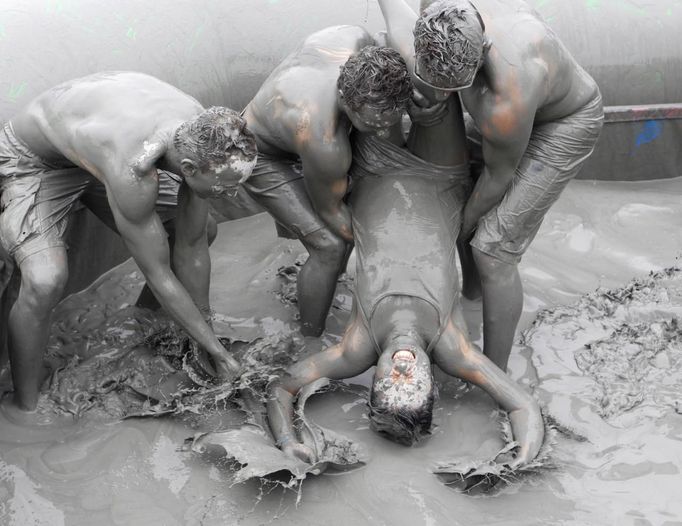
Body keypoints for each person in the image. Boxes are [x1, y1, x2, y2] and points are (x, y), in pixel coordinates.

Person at [267, 94, 544, 469]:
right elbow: (522, 404)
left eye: (389, 385)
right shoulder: (452, 348)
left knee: (383, 93)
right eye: (412, 387)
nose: (402, 372)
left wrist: (286, 441)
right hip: (441, 175)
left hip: (372, 173)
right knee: (432, 94)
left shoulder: (355, 349)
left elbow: (282, 387)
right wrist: (521, 458)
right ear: (431, 384)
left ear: (373, 380)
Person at [0, 71, 257, 418]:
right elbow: (157, 270)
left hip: (95, 148)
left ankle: (144, 325)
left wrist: (206, 338)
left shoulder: (203, 131)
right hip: (37, 161)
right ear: (188, 168)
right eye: (224, 187)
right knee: (45, 280)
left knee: (204, 230)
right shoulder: (133, 167)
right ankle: (24, 405)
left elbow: (192, 246)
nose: (233, 194)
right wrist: (219, 354)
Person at [377, 0, 604, 372]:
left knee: (493, 249)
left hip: (564, 123)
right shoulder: (438, 10)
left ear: (482, 51)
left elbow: (497, 179)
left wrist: (462, 224)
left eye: (455, 88)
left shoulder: (506, 97)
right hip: (515, 110)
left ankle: (493, 373)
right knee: (457, 198)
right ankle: (472, 294)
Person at [242, 26, 412, 336]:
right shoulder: (324, 140)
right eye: (370, 125)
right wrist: (393, 254)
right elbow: (333, 214)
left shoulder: (356, 38)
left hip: (291, 116)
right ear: (345, 98)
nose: (378, 132)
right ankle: (309, 336)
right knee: (330, 246)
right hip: (260, 152)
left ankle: (305, 269)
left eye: (388, 121)